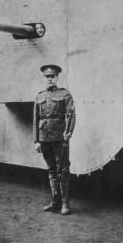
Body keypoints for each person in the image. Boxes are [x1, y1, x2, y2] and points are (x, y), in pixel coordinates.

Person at [33, 64, 76, 215]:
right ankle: (55, 202)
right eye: (47, 76)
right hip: (44, 137)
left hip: (60, 136)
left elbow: (71, 115)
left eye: (52, 76)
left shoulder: (65, 94)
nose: (50, 79)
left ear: (57, 77)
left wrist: (68, 132)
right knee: (51, 169)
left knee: (63, 169)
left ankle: (65, 203)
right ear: (44, 78)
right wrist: (36, 140)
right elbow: (36, 118)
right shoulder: (40, 96)